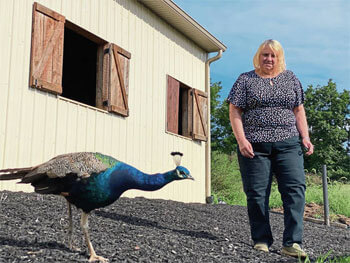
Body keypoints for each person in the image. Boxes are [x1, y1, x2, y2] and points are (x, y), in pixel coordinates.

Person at [227, 39, 314, 259]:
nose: (269, 59)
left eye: (274, 55)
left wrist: (305, 136)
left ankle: (292, 242)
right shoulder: (245, 80)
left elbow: (298, 110)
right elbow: (235, 111)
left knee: (295, 191)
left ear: (280, 58)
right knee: (256, 193)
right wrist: (241, 139)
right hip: (255, 145)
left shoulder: (291, 78)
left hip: (288, 143)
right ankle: (261, 240)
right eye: (265, 54)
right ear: (259, 56)